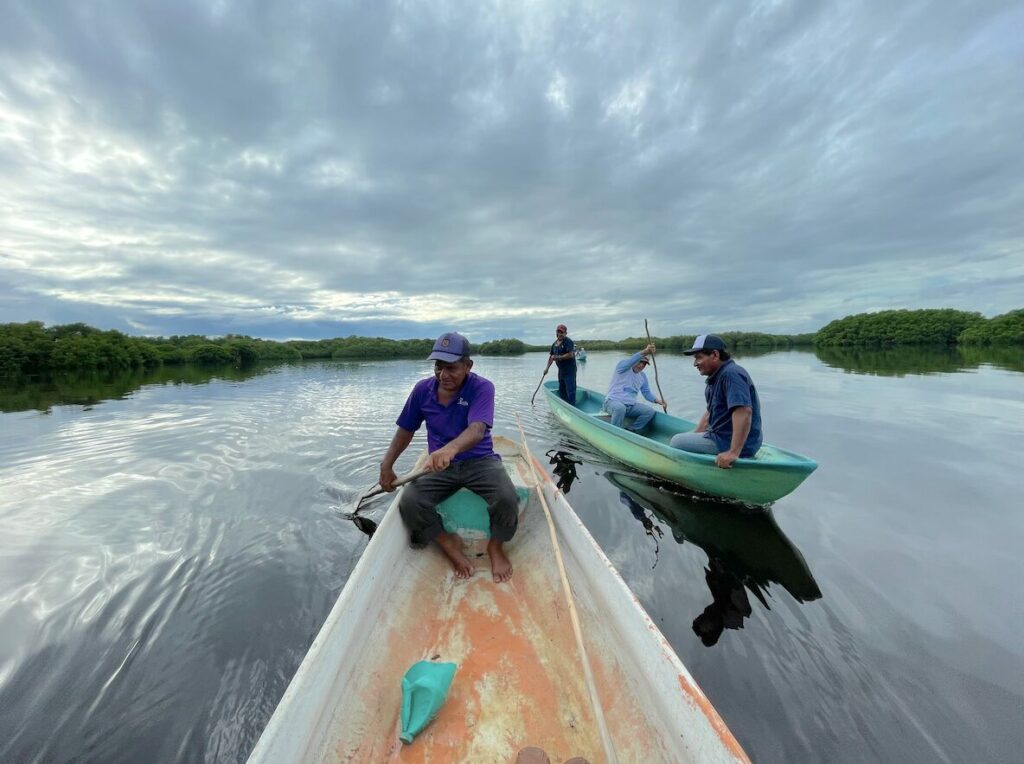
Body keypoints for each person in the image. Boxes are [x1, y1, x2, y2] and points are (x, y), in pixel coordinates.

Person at [379, 332, 519, 583]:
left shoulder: (482, 388)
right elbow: (406, 429)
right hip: (439, 467)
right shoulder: (422, 390)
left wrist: (449, 449)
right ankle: (448, 543)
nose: (443, 375)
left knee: (507, 498)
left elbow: (477, 430)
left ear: (468, 366)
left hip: (480, 461)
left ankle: (495, 547)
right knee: (410, 502)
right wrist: (387, 464)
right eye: (438, 367)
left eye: (452, 368)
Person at [670, 334, 763, 469]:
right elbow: (710, 412)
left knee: (676, 442)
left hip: (735, 444)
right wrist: (697, 434)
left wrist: (733, 452)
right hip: (721, 436)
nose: (695, 363)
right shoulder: (716, 377)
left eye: (699, 357)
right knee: (687, 435)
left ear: (714, 355)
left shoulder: (731, 374)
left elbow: (743, 412)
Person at [603, 343, 665, 432]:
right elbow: (631, 360)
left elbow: (646, 393)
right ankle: (615, 432)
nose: (641, 366)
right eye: (640, 362)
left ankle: (631, 430)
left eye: (644, 364)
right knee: (620, 408)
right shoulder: (623, 368)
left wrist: (659, 401)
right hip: (612, 402)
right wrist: (646, 351)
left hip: (630, 406)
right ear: (636, 360)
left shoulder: (642, 376)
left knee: (649, 412)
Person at [547, 324, 577, 404]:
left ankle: (572, 407)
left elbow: (571, 354)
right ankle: (565, 405)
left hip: (570, 370)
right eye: (558, 332)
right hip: (561, 371)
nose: (560, 334)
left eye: (562, 332)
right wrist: (547, 369)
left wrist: (558, 357)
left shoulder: (568, 341)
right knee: (562, 389)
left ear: (565, 333)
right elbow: (551, 357)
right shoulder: (554, 344)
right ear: (556, 333)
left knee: (571, 390)